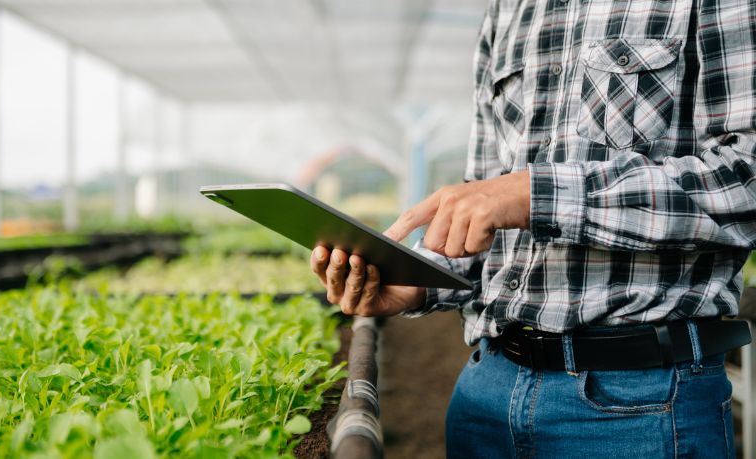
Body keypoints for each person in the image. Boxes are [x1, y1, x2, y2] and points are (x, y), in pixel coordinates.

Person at [311, 0, 756, 457]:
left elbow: (746, 179)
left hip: (639, 403)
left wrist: (535, 194)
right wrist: (418, 283)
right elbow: (487, 209)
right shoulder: (508, 10)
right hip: (488, 389)